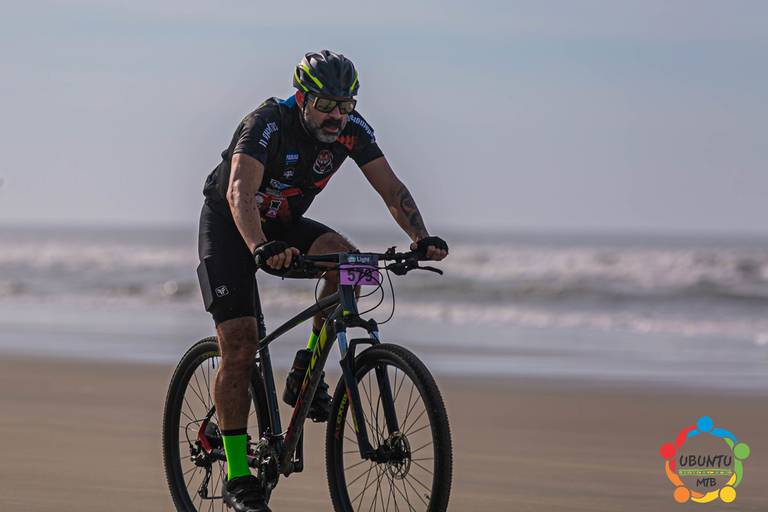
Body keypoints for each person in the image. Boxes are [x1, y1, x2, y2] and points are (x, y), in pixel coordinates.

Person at [196, 49, 448, 512]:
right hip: (231, 226)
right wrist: (259, 246)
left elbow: (392, 189)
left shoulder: (353, 130)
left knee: (352, 264)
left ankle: (305, 372)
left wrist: (420, 237)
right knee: (241, 343)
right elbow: (240, 192)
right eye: (327, 105)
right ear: (302, 98)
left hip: (284, 222)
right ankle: (237, 474)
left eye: (346, 105)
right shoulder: (266, 123)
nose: (337, 115)